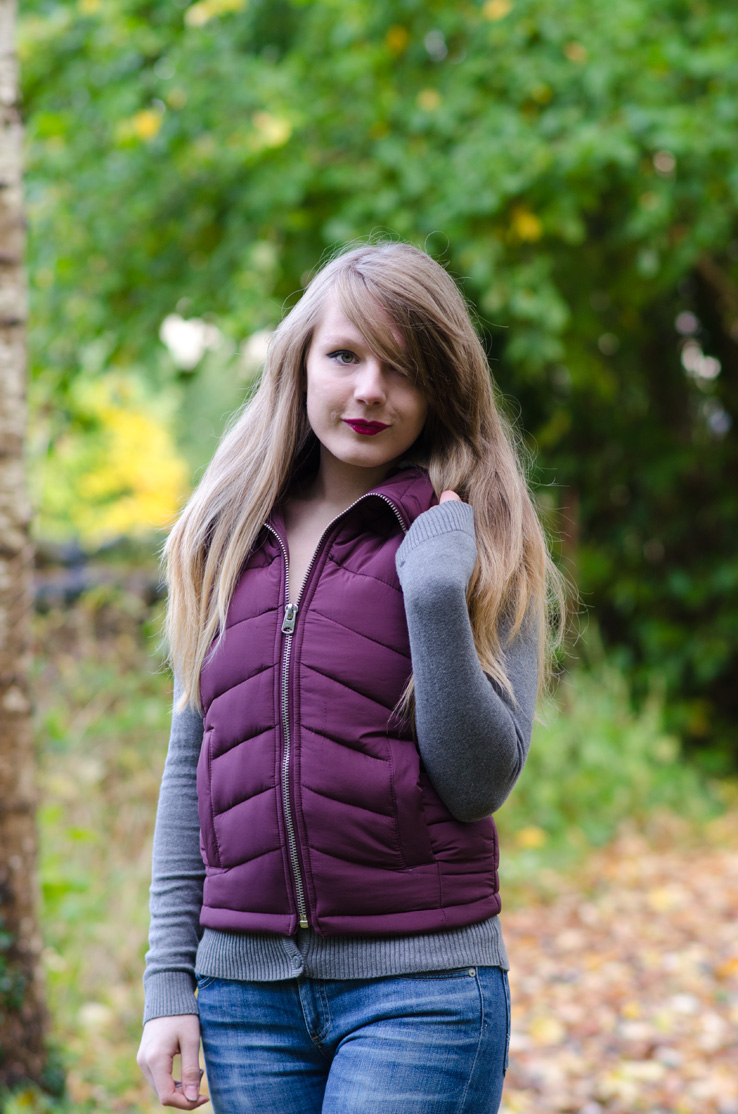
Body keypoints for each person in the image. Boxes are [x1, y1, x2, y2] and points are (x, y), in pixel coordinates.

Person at [137, 240, 564, 1113]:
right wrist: (167, 985)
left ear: (441, 389)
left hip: (423, 991)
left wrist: (437, 595)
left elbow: (480, 781)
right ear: (300, 363)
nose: (370, 389)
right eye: (345, 356)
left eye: (403, 370)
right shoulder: (221, 540)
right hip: (243, 1001)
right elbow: (193, 769)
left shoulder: (479, 537)